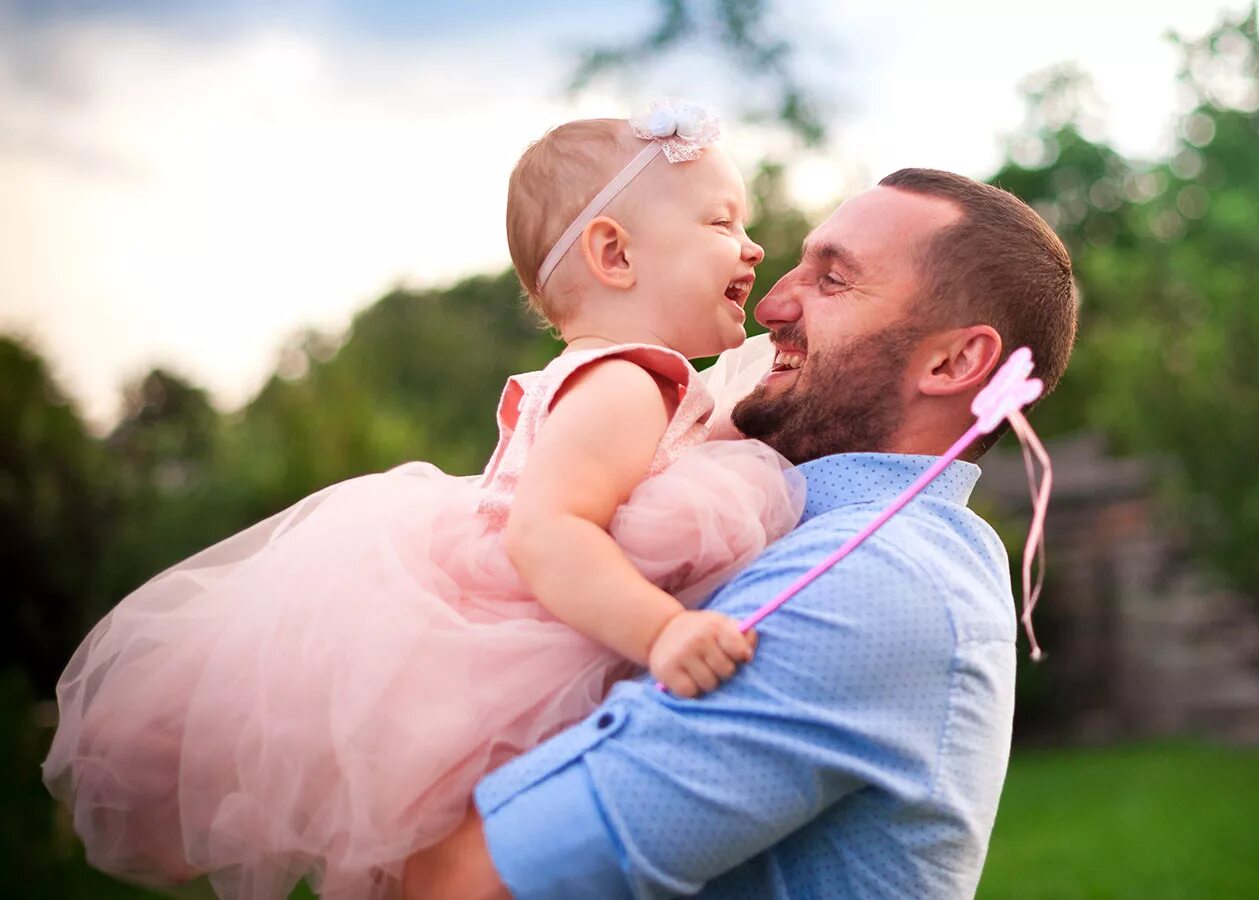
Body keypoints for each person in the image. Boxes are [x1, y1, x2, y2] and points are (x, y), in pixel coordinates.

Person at [43, 100, 805, 900]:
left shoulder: (608, 378)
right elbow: (547, 535)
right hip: (528, 655)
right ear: (614, 253)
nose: (753, 245)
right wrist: (664, 630)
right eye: (721, 222)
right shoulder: (624, 384)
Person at [403, 166, 1079, 899]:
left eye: (832, 281)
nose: (772, 305)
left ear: (953, 362)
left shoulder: (871, 579)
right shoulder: (771, 521)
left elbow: (473, 880)